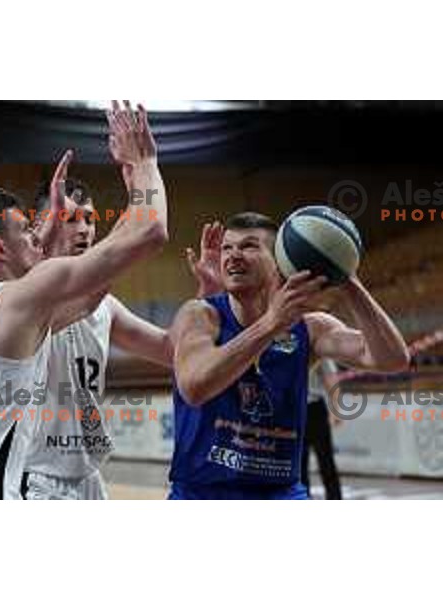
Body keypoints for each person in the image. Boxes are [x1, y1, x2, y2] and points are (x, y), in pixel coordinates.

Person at [0, 100, 169, 499]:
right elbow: (151, 232)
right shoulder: (19, 301)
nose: (37, 237)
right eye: (27, 230)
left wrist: (52, 226)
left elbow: (91, 294)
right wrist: (143, 164)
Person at [168, 211, 410, 500]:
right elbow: (195, 387)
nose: (233, 255)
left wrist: (346, 277)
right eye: (226, 248)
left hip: (281, 493)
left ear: (279, 263)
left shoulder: (311, 327)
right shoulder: (198, 315)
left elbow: (392, 359)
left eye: (249, 246)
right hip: (202, 495)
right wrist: (270, 324)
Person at [21, 180, 221, 500]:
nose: (84, 229)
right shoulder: (23, 292)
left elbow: (170, 349)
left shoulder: (105, 306)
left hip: (87, 475)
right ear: (39, 227)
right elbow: (141, 235)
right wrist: (143, 176)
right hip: (35, 475)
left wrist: (207, 298)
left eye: (89, 219)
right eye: (71, 219)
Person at [301, 359, 342, 499]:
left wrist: (335, 410)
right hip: (294, 409)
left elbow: (331, 380)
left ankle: (335, 499)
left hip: (314, 409)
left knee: (325, 460)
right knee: (299, 464)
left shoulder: (320, 350)